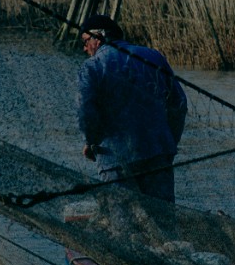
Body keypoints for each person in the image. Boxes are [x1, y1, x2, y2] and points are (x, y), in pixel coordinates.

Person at [76, 14, 187, 202]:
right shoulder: (154, 57)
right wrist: (168, 142)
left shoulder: (92, 67)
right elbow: (179, 104)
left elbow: (85, 113)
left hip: (114, 158)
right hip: (158, 154)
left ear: (99, 36)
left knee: (125, 225)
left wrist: (91, 141)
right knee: (164, 223)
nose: (85, 48)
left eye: (86, 41)